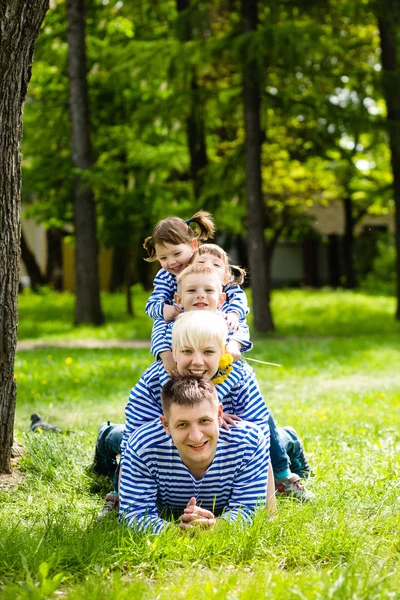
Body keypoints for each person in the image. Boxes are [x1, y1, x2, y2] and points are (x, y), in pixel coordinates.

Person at [95, 311, 311, 519]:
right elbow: (134, 441)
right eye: (187, 352)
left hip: (224, 438)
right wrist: (122, 494)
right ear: (173, 352)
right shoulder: (154, 380)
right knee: (121, 436)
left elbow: (259, 445)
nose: (197, 362)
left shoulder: (240, 377)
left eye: (208, 352)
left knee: (275, 440)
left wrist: (269, 511)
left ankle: (289, 439)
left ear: (223, 353)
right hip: (172, 437)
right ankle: (106, 435)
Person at [119, 376, 270, 533]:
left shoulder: (250, 442)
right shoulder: (142, 446)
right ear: (166, 425)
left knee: (286, 441)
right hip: (148, 441)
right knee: (115, 436)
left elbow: (250, 509)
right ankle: (107, 435)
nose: (196, 437)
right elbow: (133, 514)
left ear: (219, 415)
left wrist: (216, 528)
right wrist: (176, 533)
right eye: (182, 425)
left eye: (204, 421)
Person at [143, 214, 249, 372]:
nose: (171, 262)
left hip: (215, 321)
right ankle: (166, 357)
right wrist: (164, 310)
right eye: (163, 258)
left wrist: (234, 313)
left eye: (177, 254)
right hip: (181, 323)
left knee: (236, 324)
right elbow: (152, 305)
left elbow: (236, 294)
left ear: (193, 245)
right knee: (160, 322)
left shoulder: (209, 262)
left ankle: (227, 353)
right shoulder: (165, 276)